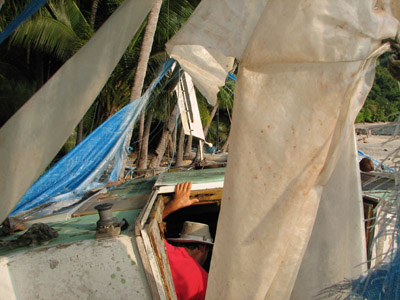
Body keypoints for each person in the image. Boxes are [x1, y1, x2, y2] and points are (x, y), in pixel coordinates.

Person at [163, 182, 213, 300]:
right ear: (203, 248)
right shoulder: (204, 281)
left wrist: (172, 206)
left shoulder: (165, 251)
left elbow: (144, 229)